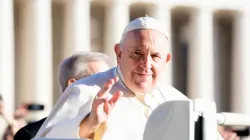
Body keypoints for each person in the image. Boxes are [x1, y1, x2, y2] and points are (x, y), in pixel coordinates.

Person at [35, 17, 239, 140]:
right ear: (119, 53)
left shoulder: (177, 100)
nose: (146, 64)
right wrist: (88, 125)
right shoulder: (85, 90)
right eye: (137, 54)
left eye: (155, 56)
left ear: (166, 59)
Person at [14, 51, 110, 140]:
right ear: (74, 85)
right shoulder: (31, 134)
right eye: (100, 81)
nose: (110, 87)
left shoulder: (118, 126)